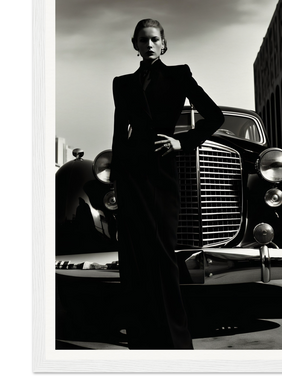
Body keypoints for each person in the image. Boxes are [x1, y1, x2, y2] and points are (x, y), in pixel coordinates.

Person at [110, 19, 224, 349]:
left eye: (154, 39)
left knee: (162, 258)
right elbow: (119, 135)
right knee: (134, 260)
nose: (148, 45)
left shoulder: (179, 75)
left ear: (164, 44)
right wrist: (117, 183)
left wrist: (182, 143)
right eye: (142, 40)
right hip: (132, 178)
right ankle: (141, 340)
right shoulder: (121, 83)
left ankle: (175, 342)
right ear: (134, 44)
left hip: (161, 176)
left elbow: (213, 116)